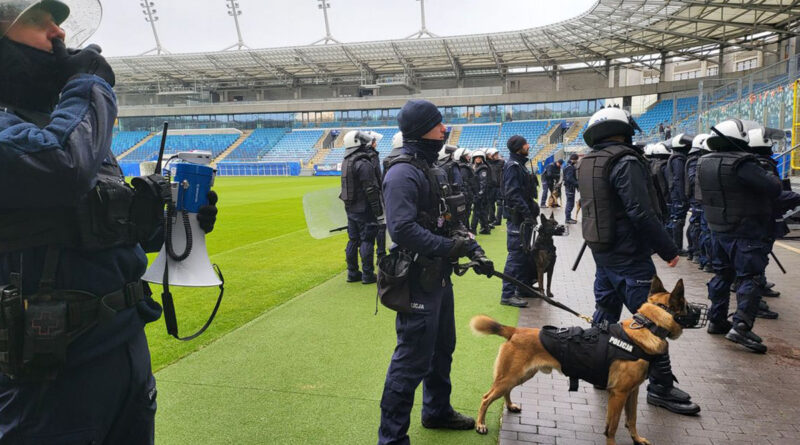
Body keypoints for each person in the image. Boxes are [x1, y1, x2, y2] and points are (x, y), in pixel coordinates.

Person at [0, 2, 219, 442]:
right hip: (49, 376)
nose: (59, 34)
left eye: (58, 23)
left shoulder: (58, 125)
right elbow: (63, 168)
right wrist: (91, 84)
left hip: (122, 355)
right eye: (38, 22)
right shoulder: (45, 131)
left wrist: (165, 224)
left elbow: (98, 225)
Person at [379, 99, 494, 445]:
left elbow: (451, 220)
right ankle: (392, 439)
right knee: (412, 359)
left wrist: (474, 248)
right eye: (438, 123)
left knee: (443, 348)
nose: (445, 129)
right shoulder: (402, 172)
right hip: (416, 281)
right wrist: (450, 248)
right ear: (420, 129)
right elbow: (402, 230)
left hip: (439, 278)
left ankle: (436, 410)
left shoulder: (433, 168)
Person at [577, 107, 699, 415]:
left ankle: (602, 370)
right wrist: (669, 249)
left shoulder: (589, 160)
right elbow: (640, 211)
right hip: (629, 254)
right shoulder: (626, 161)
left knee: (604, 311)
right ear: (625, 130)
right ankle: (660, 387)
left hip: (603, 251)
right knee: (651, 320)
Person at [698, 119, 788, 353]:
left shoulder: (704, 161)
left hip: (718, 229)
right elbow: (774, 188)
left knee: (721, 275)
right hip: (745, 231)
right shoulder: (743, 163)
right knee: (751, 278)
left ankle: (717, 320)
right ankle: (741, 327)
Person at [500, 135, 540, 308]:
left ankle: (522, 288)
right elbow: (513, 194)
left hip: (524, 219)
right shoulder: (512, 167)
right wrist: (527, 214)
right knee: (516, 255)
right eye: (525, 144)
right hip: (519, 219)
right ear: (518, 148)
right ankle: (507, 294)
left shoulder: (520, 166)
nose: (528, 145)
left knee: (524, 254)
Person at [339, 130, 383, 284]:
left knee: (353, 240)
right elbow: (371, 189)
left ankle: (352, 273)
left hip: (350, 208)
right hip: (364, 209)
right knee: (367, 241)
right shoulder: (363, 163)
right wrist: (378, 209)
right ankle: (367, 274)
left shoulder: (346, 161)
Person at [667, 133, 693, 255]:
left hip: (675, 194)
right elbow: (679, 179)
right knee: (678, 221)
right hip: (678, 195)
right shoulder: (678, 160)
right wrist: (683, 196)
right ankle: (677, 248)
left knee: (676, 220)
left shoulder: (675, 158)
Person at [685, 134, 709, 264]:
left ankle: (695, 252)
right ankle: (696, 253)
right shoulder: (695, 160)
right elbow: (693, 180)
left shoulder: (694, 159)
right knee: (697, 226)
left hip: (697, 198)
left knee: (697, 226)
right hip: (698, 198)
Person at [366, 132, 387, 263]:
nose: (376, 143)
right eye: (375, 141)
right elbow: (378, 177)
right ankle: (381, 255)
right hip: (375, 195)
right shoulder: (373, 156)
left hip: (363, 199)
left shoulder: (358, 156)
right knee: (380, 226)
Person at [470, 150, 492, 235]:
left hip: (480, 193)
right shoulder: (474, 166)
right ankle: (486, 228)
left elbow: (483, 182)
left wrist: (480, 193)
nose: (478, 159)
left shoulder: (483, 168)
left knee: (476, 212)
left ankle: (473, 229)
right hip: (477, 192)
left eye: (479, 157)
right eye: (476, 157)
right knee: (481, 212)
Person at [454, 148, 476, 228]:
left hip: (467, 193)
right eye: (467, 155)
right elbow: (465, 182)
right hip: (466, 194)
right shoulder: (463, 168)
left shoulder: (463, 166)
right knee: (465, 214)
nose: (469, 157)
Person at [486, 148, 505, 226]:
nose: (497, 156)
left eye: (497, 154)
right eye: (495, 154)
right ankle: (491, 218)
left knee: (499, 203)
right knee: (490, 203)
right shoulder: (486, 163)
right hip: (490, 187)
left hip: (499, 186)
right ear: (490, 155)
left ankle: (498, 220)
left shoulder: (501, 162)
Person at [563, 154, 579, 224]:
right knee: (570, 203)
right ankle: (568, 219)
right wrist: (577, 183)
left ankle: (568, 218)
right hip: (570, 188)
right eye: (576, 160)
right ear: (574, 159)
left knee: (569, 203)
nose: (576, 161)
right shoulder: (570, 167)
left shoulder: (566, 165)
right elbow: (569, 178)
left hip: (568, 187)